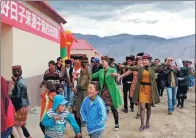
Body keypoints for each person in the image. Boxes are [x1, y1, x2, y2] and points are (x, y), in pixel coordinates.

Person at [120, 54, 160, 131]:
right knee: (142, 107)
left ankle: (147, 122)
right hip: (142, 89)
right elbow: (132, 67)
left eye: (145, 60)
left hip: (150, 90)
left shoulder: (152, 68)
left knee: (148, 107)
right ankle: (142, 124)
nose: (144, 61)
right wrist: (124, 66)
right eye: (143, 60)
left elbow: (160, 69)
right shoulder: (140, 68)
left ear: (149, 61)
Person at [92, 56, 122, 131]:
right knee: (100, 107)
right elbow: (92, 76)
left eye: (103, 61)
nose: (102, 63)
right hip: (103, 91)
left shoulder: (112, 69)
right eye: (101, 61)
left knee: (113, 108)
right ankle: (99, 123)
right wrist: (84, 75)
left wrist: (116, 75)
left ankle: (116, 123)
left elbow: (115, 74)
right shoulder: (100, 71)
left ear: (107, 62)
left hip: (111, 91)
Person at [10, 65, 30, 138]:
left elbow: (17, 97)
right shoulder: (22, 80)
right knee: (19, 126)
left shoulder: (18, 83)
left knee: (14, 126)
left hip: (20, 108)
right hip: (25, 106)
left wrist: (9, 96)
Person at [73, 60, 91, 131]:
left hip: (82, 93)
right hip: (81, 92)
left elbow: (81, 84)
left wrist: (76, 87)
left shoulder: (85, 75)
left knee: (78, 109)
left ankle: (81, 125)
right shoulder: (83, 74)